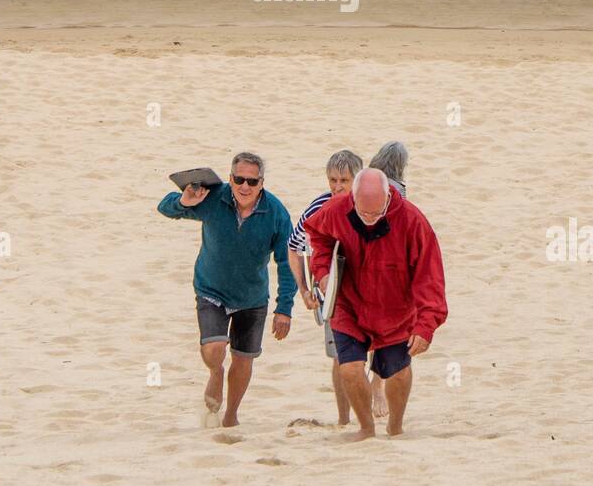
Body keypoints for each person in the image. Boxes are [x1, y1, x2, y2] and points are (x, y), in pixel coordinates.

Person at [304, 167, 447, 440]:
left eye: (376, 213)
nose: (369, 219)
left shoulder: (412, 221)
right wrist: (323, 274)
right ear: (353, 199)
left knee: (399, 373)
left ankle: (395, 426)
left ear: (388, 200)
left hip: (396, 310)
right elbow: (318, 237)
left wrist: (426, 325)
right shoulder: (337, 209)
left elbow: (430, 277)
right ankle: (366, 428)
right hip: (348, 303)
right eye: (362, 212)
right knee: (350, 368)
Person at [157, 152, 293, 428]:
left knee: (244, 360)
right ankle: (215, 373)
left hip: (252, 298)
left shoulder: (276, 213)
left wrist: (284, 309)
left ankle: (231, 415)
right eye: (239, 179)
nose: (244, 187)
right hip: (211, 289)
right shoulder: (214, 197)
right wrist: (183, 201)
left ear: (262, 183)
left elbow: (286, 262)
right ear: (230, 178)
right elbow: (165, 207)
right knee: (215, 347)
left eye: (252, 182)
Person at [285, 150, 366, 425]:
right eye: (333, 180)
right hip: (333, 297)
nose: (337, 186)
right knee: (342, 357)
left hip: (371, 293)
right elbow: (294, 248)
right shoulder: (317, 207)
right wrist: (303, 289)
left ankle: (373, 405)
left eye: (344, 180)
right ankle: (345, 419)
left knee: (380, 352)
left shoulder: (372, 203)